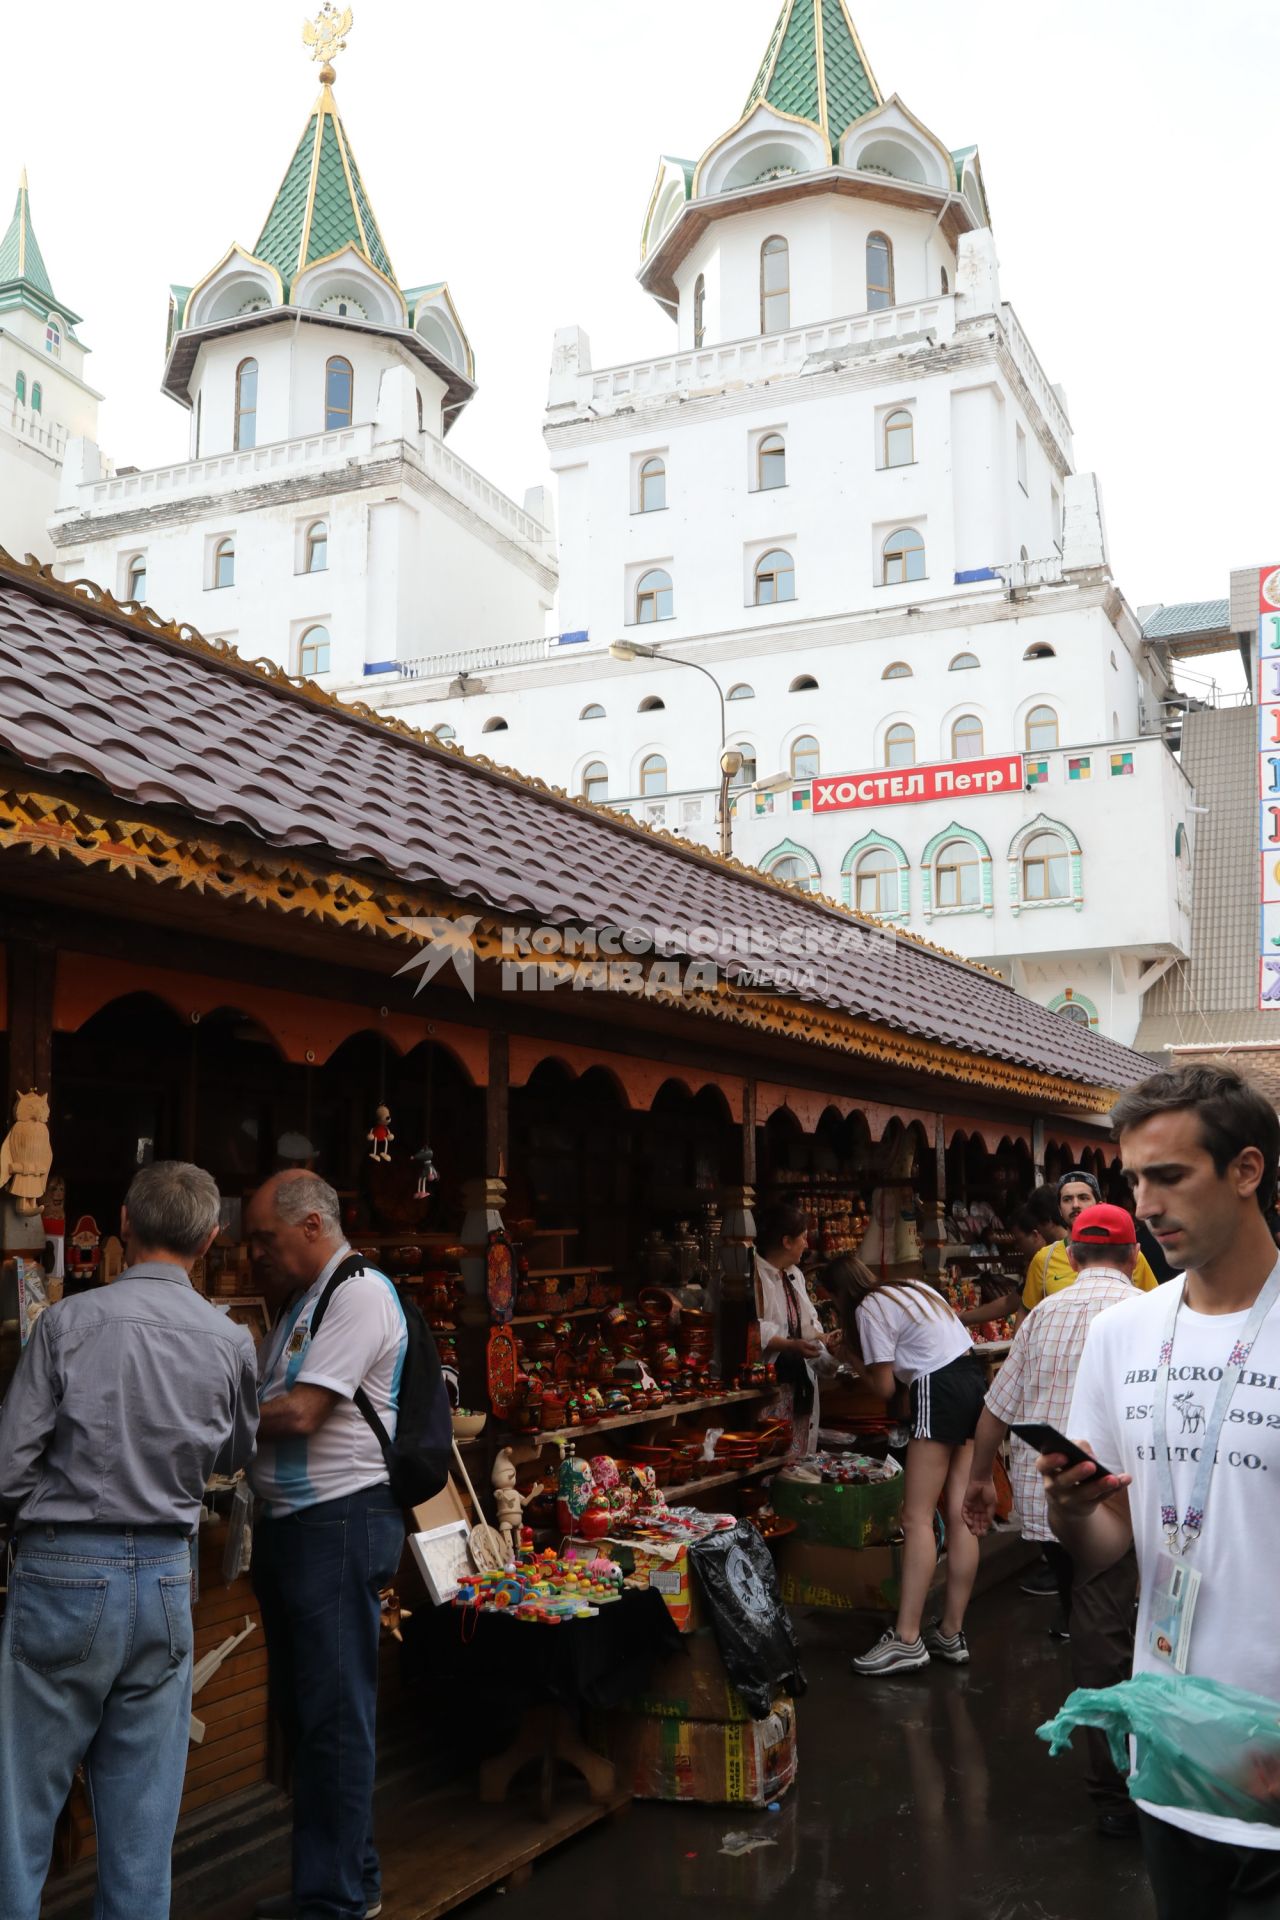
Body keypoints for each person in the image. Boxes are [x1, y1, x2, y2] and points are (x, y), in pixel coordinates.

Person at [1043, 1065, 1280, 1919]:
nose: (1144, 1203)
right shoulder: (1122, 1333)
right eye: (1134, 1179)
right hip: (1170, 1747)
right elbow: (1116, 1544)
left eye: (1170, 1176)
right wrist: (1076, 1512)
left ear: (1246, 1171)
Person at [0, 1162, 258, 1920]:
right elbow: (235, 1454)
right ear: (211, 1240)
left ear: (121, 1224)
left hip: (64, 1570)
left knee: (21, 1812)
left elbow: (9, 1469)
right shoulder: (229, 1339)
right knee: (143, 1830)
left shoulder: (67, 1323)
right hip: (167, 1580)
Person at [246, 1170, 409, 1920]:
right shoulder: (303, 1303)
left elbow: (302, 1413)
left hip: (337, 1525)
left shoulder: (361, 1293)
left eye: (265, 1239)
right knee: (314, 1717)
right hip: (299, 1528)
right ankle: (351, 1882)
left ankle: (335, 1902)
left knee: (333, 1718)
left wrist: (205, 1421)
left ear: (311, 1225)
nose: (256, 1253)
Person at [962, 1202, 1142, 1835]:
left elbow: (995, 1408)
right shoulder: (1145, 1313)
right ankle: (1121, 1787)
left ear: (1069, 1255)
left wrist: (982, 1480)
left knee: (1093, 1626)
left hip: (1052, 1511)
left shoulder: (1042, 1314)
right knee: (1114, 1635)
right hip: (1123, 1505)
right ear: (1133, 1255)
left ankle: (1116, 1783)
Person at [826, 1256, 986, 1676]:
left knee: (915, 1517)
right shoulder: (913, 1288)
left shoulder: (866, 1309)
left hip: (938, 1387)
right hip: (972, 1378)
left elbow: (883, 1387)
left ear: (836, 1295)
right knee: (960, 1513)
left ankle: (907, 1638)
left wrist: (849, 1356)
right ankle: (950, 1633)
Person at [753, 1202, 840, 1462]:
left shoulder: (794, 1275)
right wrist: (791, 1345)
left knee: (799, 1458)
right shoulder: (755, 1275)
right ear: (787, 1241)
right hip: (770, 1381)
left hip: (798, 1379)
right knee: (771, 1453)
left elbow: (807, 1327)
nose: (807, 1243)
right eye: (803, 1237)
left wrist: (825, 1340)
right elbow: (753, 1328)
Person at [1022, 1169, 1159, 1310]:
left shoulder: (1127, 1254)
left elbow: (1154, 1306)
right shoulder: (1044, 1259)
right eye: (1067, 1199)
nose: (1075, 1205)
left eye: (1083, 1198)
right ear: (1059, 1209)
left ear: (1099, 1204)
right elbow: (1027, 1313)